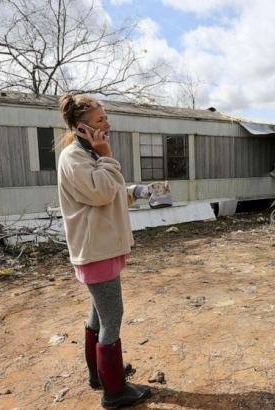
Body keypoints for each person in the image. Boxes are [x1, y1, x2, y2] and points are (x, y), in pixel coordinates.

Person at [57, 94, 164, 408]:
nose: (107, 124)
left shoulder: (88, 154)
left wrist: (137, 192)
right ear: (82, 127)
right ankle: (114, 392)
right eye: (100, 120)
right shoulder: (74, 157)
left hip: (100, 246)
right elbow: (102, 191)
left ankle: (100, 375)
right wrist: (107, 155)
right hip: (95, 250)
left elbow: (108, 194)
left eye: (105, 117)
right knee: (112, 317)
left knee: (98, 316)